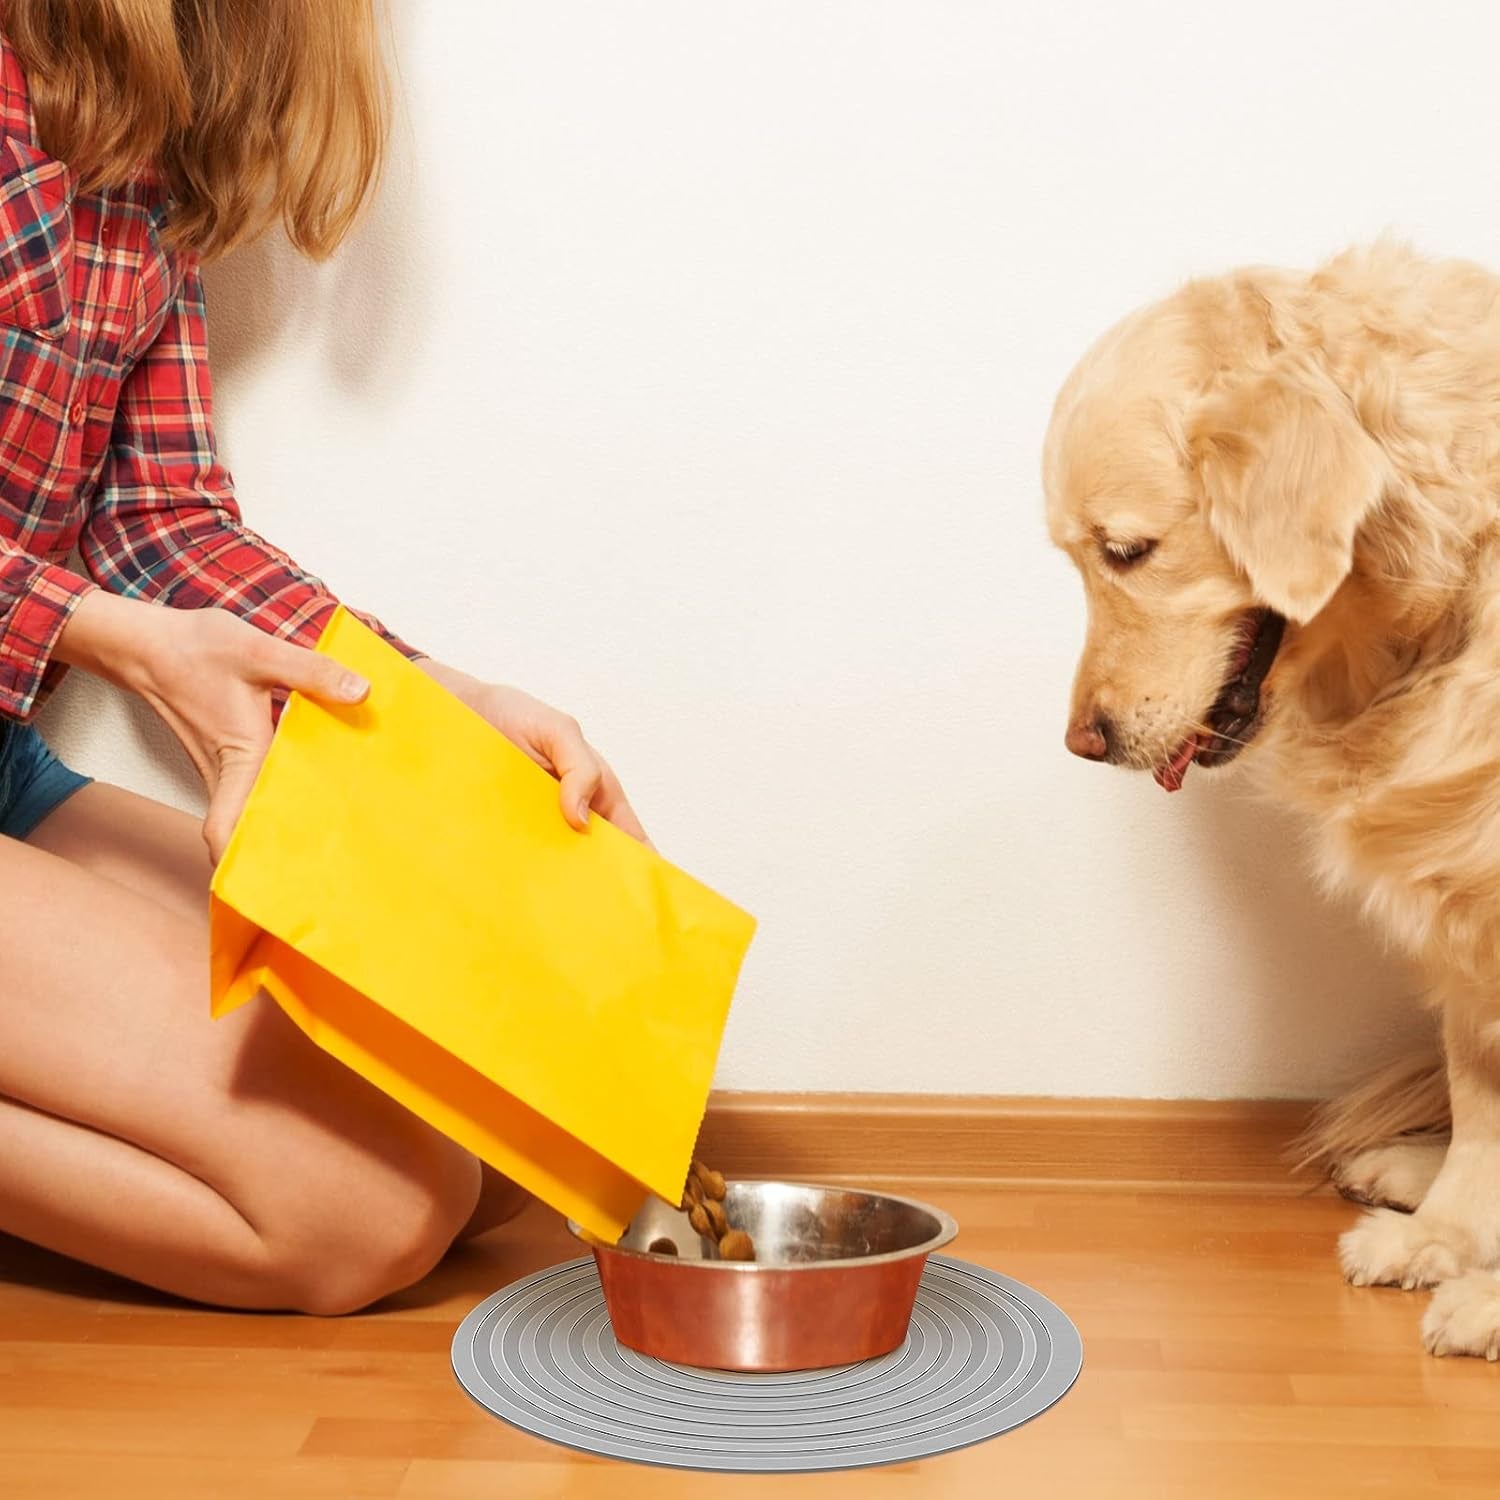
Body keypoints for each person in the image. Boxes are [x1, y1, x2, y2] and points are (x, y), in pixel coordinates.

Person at [0, 2, 647, 1314]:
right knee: (370, 1212)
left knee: (513, 1103)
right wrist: (118, 642)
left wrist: (424, 702)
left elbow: (152, 513)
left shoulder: (122, 120)